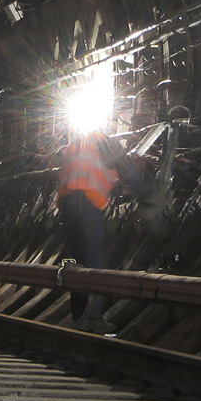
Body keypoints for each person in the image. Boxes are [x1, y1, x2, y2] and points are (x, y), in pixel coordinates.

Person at [56, 131, 123, 332]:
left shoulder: (76, 145)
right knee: (94, 260)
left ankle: (80, 314)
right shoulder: (105, 145)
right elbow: (124, 172)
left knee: (76, 261)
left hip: (68, 203)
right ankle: (92, 316)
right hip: (87, 203)